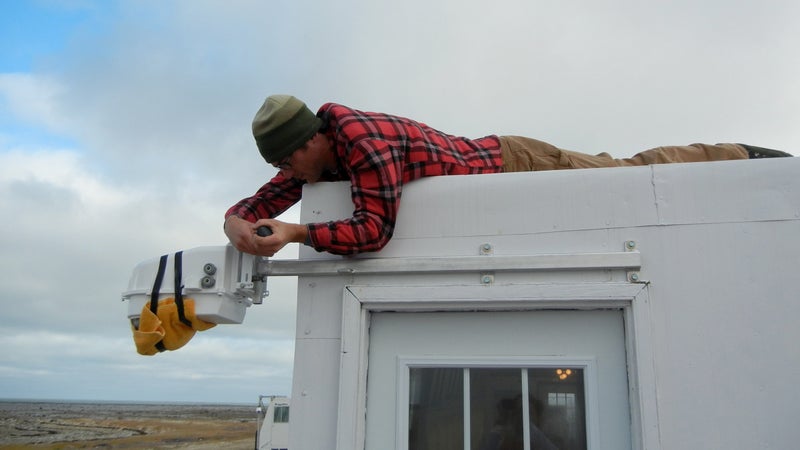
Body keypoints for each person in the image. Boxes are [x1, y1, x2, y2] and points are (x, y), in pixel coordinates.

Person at [224, 95, 792, 256]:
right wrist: (236, 221)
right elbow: (272, 195)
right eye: (278, 165)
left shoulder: (362, 143)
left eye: (288, 160)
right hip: (496, 156)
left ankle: (736, 156)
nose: (286, 173)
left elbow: (373, 231)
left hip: (516, 160)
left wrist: (300, 233)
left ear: (313, 140)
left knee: (626, 172)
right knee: (619, 169)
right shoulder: (317, 153)